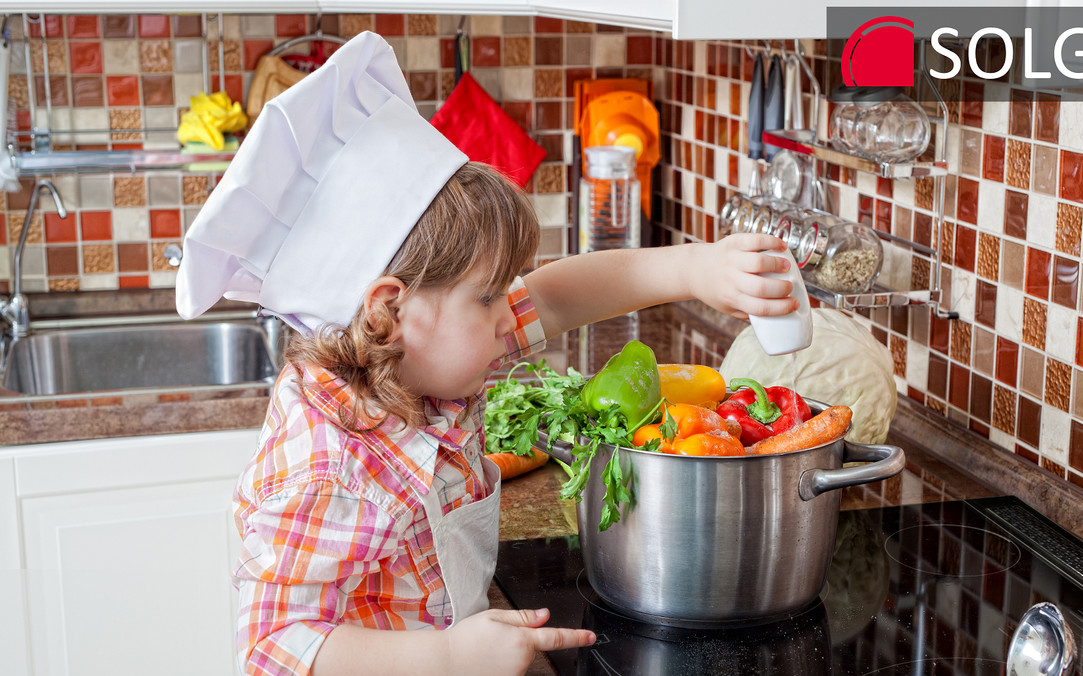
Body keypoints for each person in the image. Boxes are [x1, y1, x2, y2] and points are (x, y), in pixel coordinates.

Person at [177, 32, 800, 676]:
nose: (512, 311)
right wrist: (447, 657)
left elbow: (556, 297)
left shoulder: (420, 358)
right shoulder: (327, 470)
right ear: (389, 311)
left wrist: (696, 267)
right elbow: (273, 646)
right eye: (488, 297)